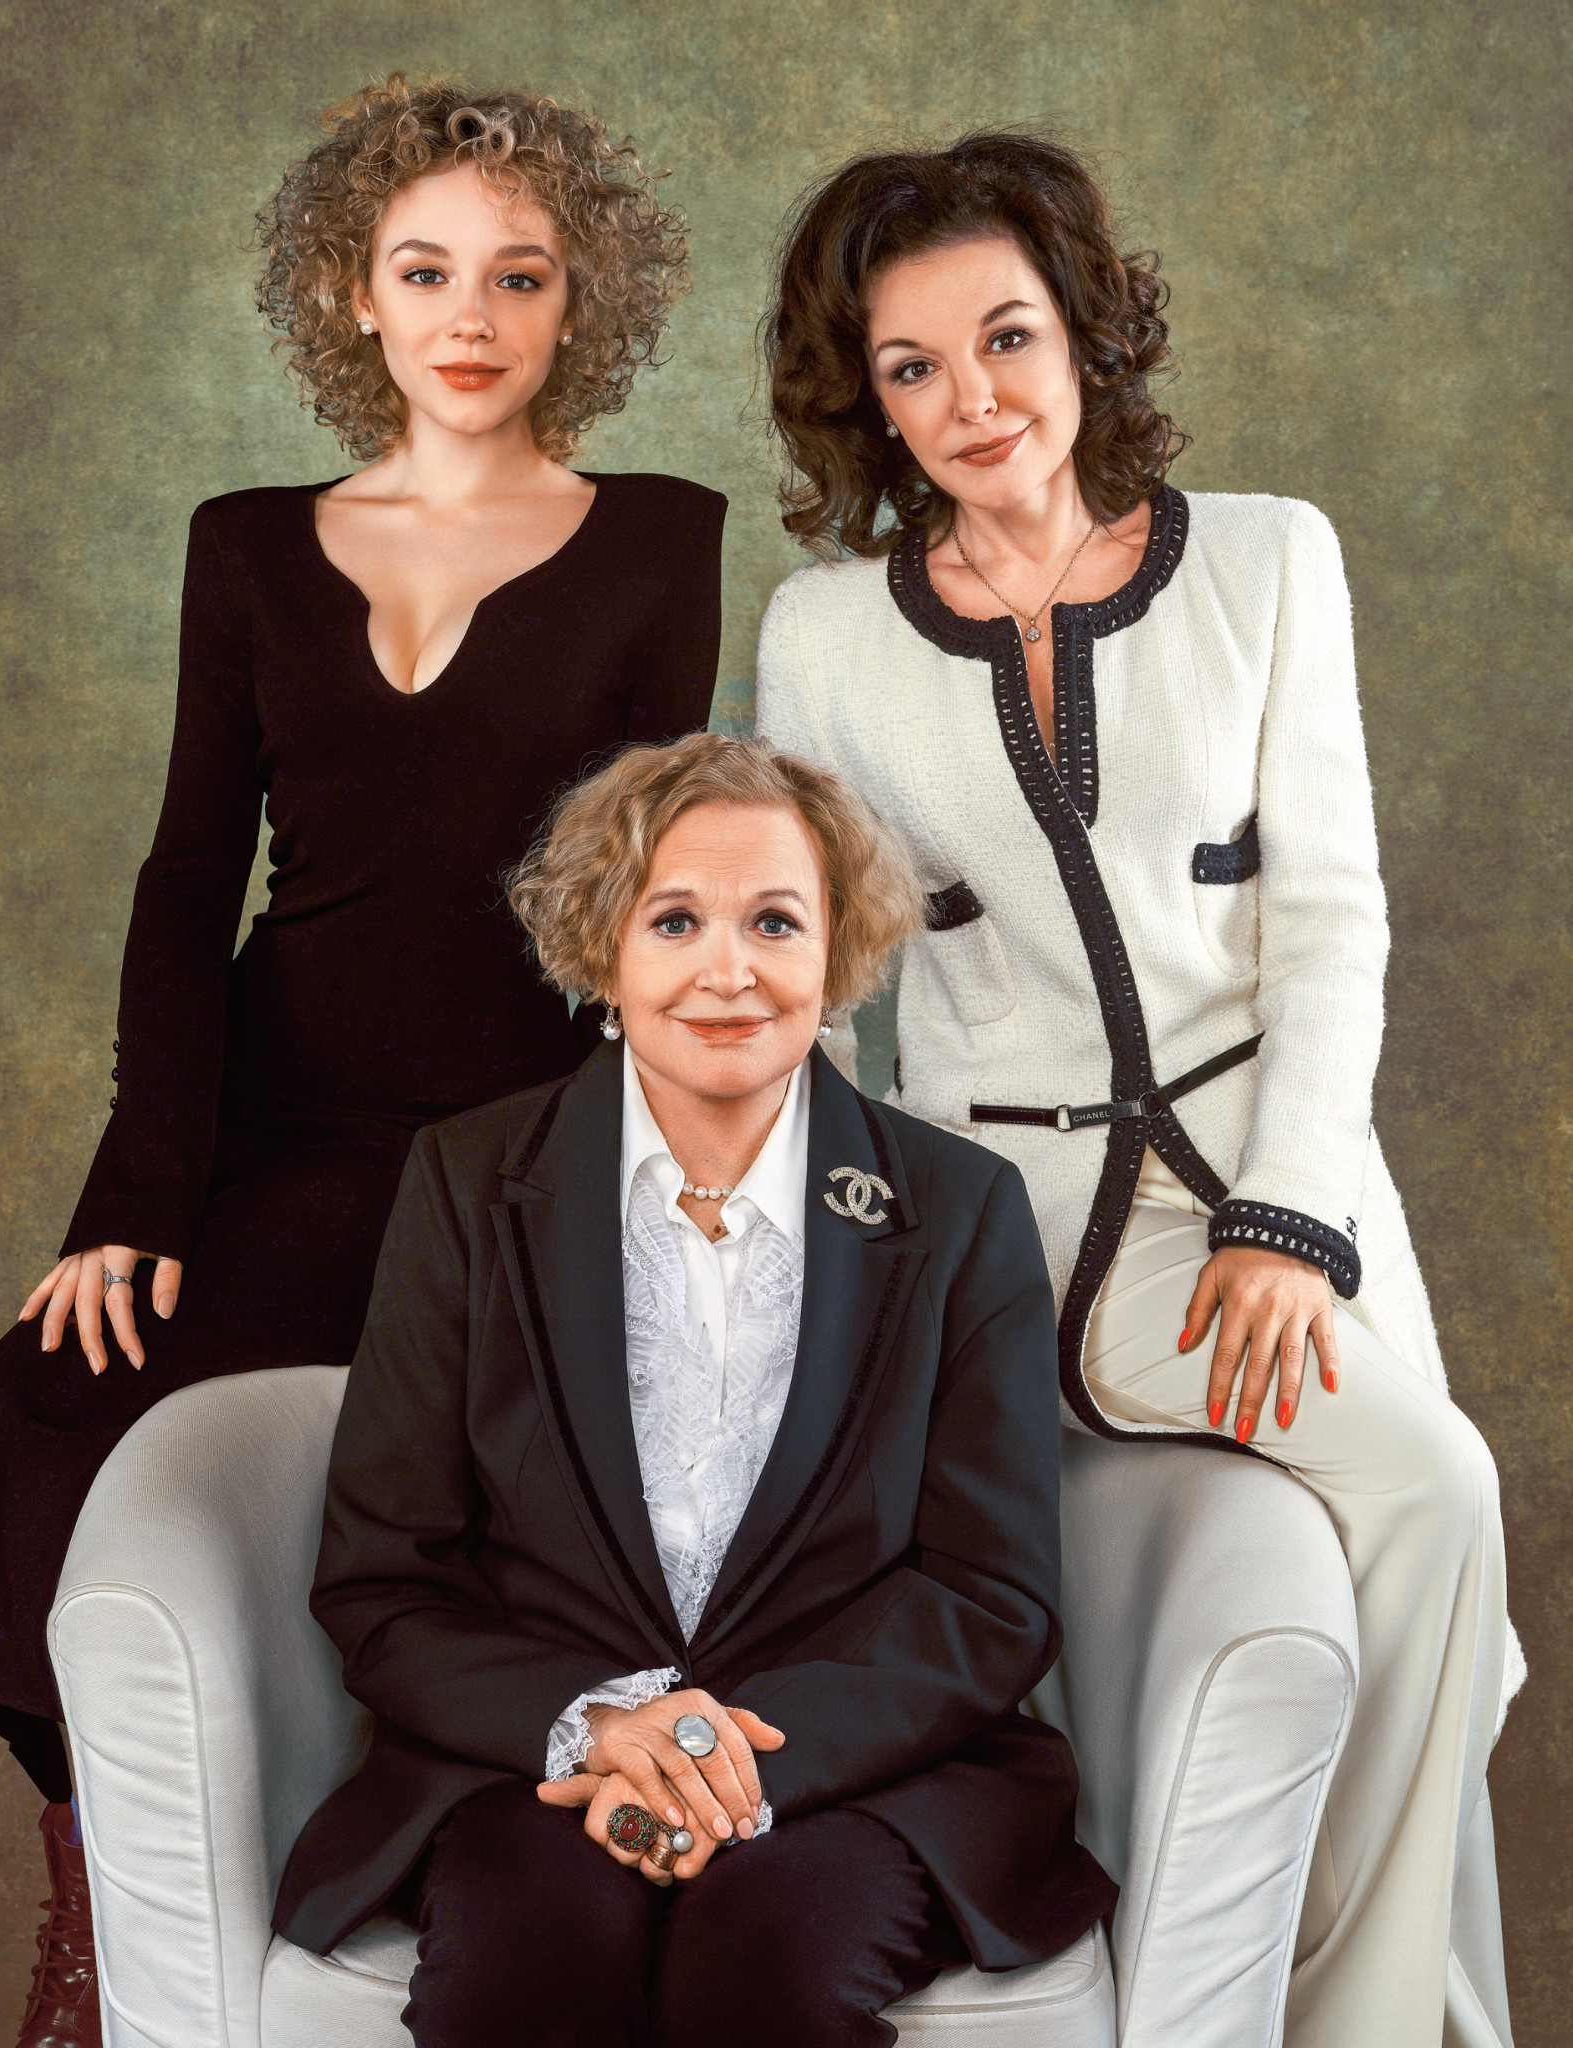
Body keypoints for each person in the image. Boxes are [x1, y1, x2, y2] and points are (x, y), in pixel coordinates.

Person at [0, 78, 724, 2047]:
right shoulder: (250, 550)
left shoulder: (660, 540)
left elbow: (654, 887)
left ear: (579, 302)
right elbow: (189, 878)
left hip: (516, 1137)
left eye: (520, 275)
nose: (471, 314)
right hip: (275, 1128)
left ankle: (402, 1897)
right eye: (424, 270)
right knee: (45, 1411)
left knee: (447, 1494)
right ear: (351, 294)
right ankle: (103, 1914)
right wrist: (134, 1203)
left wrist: (653, 1182)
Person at [753, 131, 1519, 2048]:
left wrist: (1287, 1219)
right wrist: (829, 1265)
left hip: (1276, 1180)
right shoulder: (824, 637)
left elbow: (1330, 921)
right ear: (869, 398)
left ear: (1084, 330)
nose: (973, 398)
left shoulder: (1267, 558)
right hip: (1012, 1231)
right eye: (914, 366)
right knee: (1426, 1488)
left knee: (1429, 1530)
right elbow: (817, 994)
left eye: (1006, 336)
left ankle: (1368, 2013)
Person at [271, 732, 1117, 2047]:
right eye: (675, 921)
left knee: (769, 1959)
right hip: (543, 1766)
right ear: (603, 949)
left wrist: (726, 1762)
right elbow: (384, 1580)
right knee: (528, 1960)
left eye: (775, 921)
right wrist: (601, 1732)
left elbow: (990, 1594)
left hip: (861, 1776)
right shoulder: (464, 1184)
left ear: (838, 950)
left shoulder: (961, 1212)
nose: (729, 970)